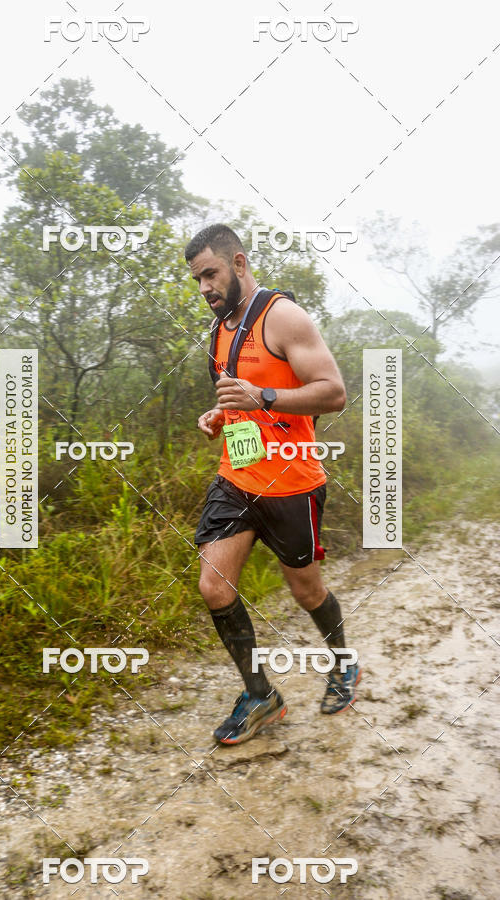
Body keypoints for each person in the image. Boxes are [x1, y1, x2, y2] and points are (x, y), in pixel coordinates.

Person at [185, 223, 361, 745]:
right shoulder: (220, 329)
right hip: (236, 479)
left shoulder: (283, 317)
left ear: (238, 263)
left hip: (292, 484)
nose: (205, 288)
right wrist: (220, 415)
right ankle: (260, 696)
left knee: (306, 591)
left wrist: (261, 397)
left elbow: (333, 393)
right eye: (197, 280)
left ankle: (344, 663)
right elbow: (239, 395)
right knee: (213, 586)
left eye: (211, 274)